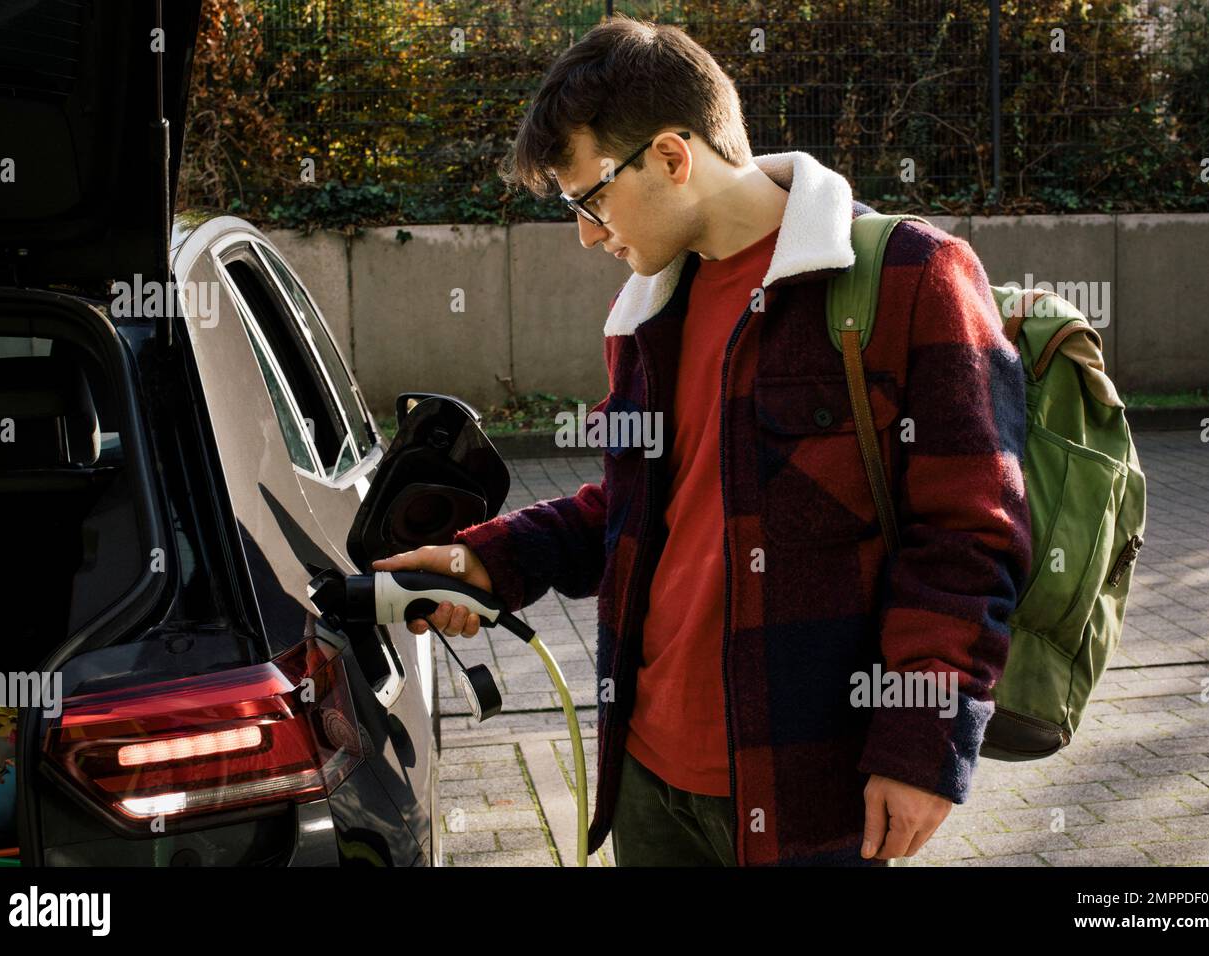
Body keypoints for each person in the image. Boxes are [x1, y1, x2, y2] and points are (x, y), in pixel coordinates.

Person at [375, 15, 1031, 867]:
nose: (586, 232)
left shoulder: (909, 276)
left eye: (591, 198)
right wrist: (491, 559)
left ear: (673, 158)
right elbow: (639, 507)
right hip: (646, 784)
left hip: (808, 790)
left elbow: (972, 536)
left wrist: (922, 750)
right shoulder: (645, 313)